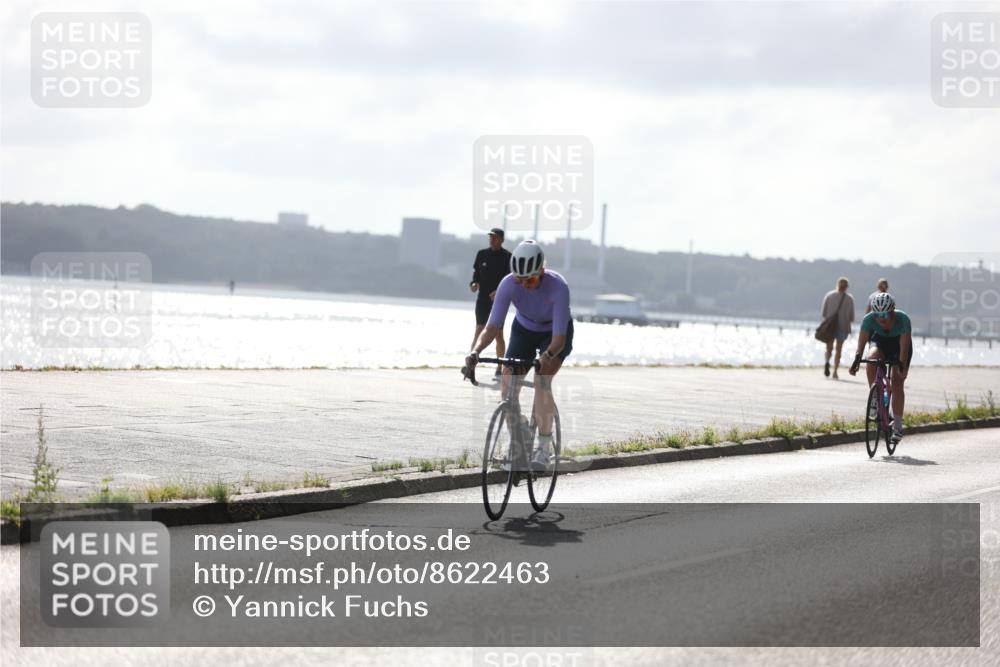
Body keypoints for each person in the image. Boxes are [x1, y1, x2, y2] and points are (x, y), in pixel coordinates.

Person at [465, 240, 573, 471]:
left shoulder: (558, 287)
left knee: (541, 380)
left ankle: (544, 447)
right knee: (508, 386)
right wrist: (475, 351)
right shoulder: (508, 284)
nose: (525, 285)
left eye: (531, 280)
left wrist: (548, 355)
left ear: (542, 272)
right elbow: (492, 327)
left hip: (553, 333)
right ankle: (519, 437)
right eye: (520, 280)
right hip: (524, 330)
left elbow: (559, 340)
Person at [849, 293, 912, 445]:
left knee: (897, 383)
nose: (881, 318)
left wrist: (902, 365)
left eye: (885, 314)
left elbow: (904, 348)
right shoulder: (869, 319)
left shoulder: (903, 319)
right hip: (880, 343)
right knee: (871, 359)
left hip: (899, 346)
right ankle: (876, 395)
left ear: (892, 311)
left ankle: (897, 426)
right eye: (877, 314)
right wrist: (857, 361)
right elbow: (861, 345)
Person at [470, 228, 512, 377]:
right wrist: (474, 284)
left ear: (501, 239)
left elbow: (510, 279)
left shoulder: (508, 257)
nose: (492, 240)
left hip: (499, 301)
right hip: (482, 299)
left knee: (498, 334)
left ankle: (500, 366)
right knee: (479, 329)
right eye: (490, 237)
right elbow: (476, 274)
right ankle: (471, 364)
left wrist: (499, 291)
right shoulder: (482, 254)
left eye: (495, 237)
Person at [820, 277, 855, 379]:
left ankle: (827, 362)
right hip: (843, 327)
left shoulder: (829, 295)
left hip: (830, 327)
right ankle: (835, 371)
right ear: (847, 287)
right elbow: (852, 317)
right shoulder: (850, 299)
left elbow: (823, 313)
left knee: (829, 348)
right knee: (838, 350)